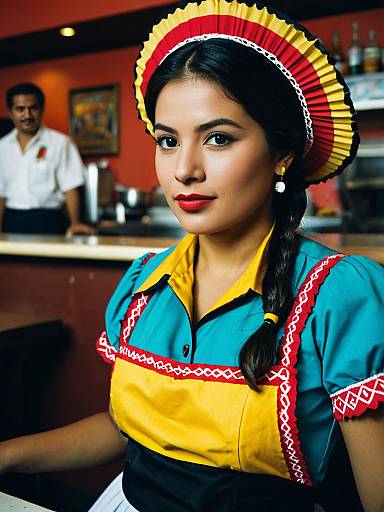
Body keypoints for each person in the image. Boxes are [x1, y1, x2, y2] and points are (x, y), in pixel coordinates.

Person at [1, 1, 384, 511]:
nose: (184, 170)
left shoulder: (337, 293)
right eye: (167, 140)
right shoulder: (143, 283)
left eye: (219, 138)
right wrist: (7, 454)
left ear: (282, 154)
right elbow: (126, 427)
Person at [0, 82, 94, 235]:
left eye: (33, 108)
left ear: (42, 109)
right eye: (20, 109)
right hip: (12, 220)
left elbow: (70, 187)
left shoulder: (61, 143)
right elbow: (1, 194)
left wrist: (75, 223)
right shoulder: (1, 147)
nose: (27, 115)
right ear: (10, 112)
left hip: (48, 220)